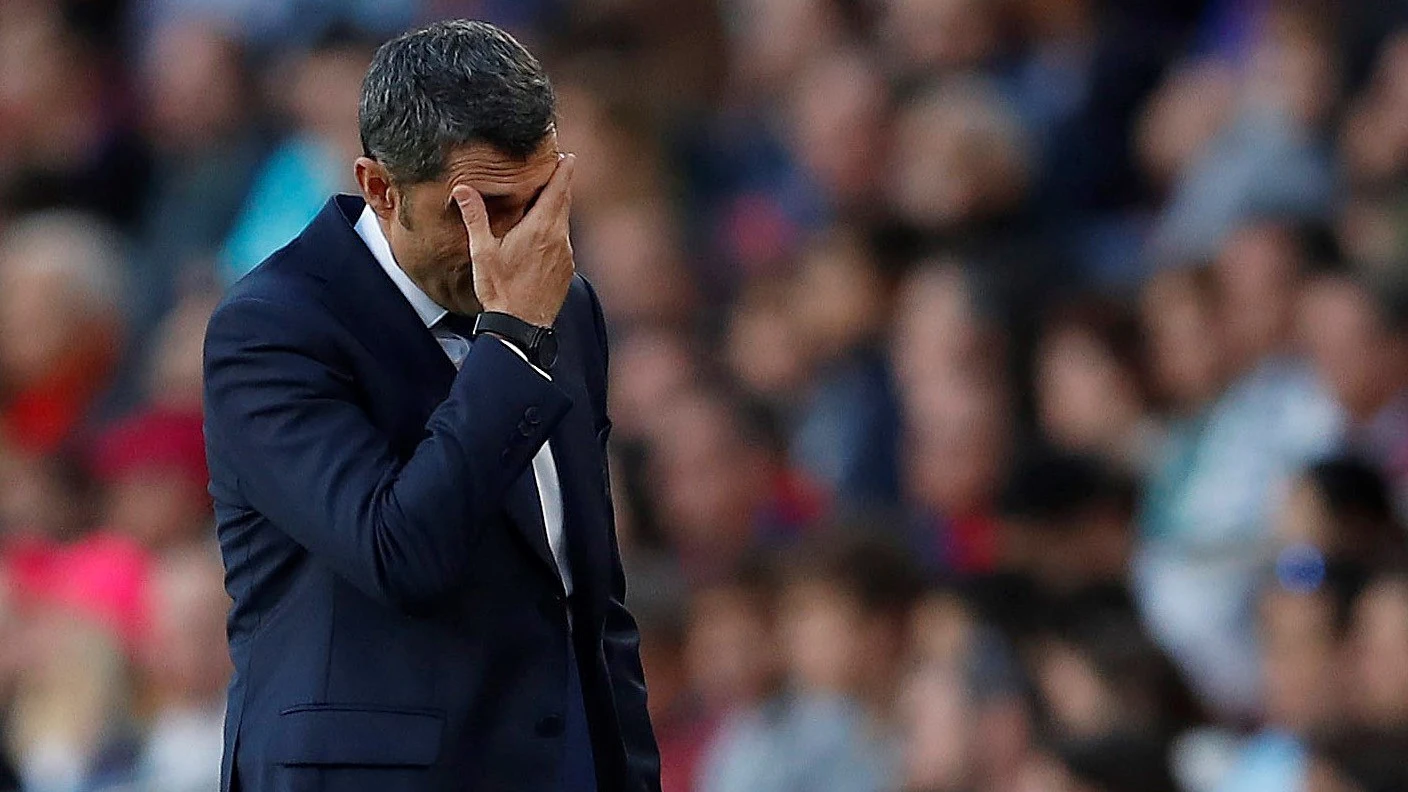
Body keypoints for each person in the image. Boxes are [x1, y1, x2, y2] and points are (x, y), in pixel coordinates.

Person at [201, 20, 659, 792]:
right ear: (380, 188)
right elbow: (399, 552)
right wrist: (509, 344)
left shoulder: (566, 306)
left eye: (534, 201)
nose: (508, 246)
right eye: (473, 211)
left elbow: (586, 587)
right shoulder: (272, 328)